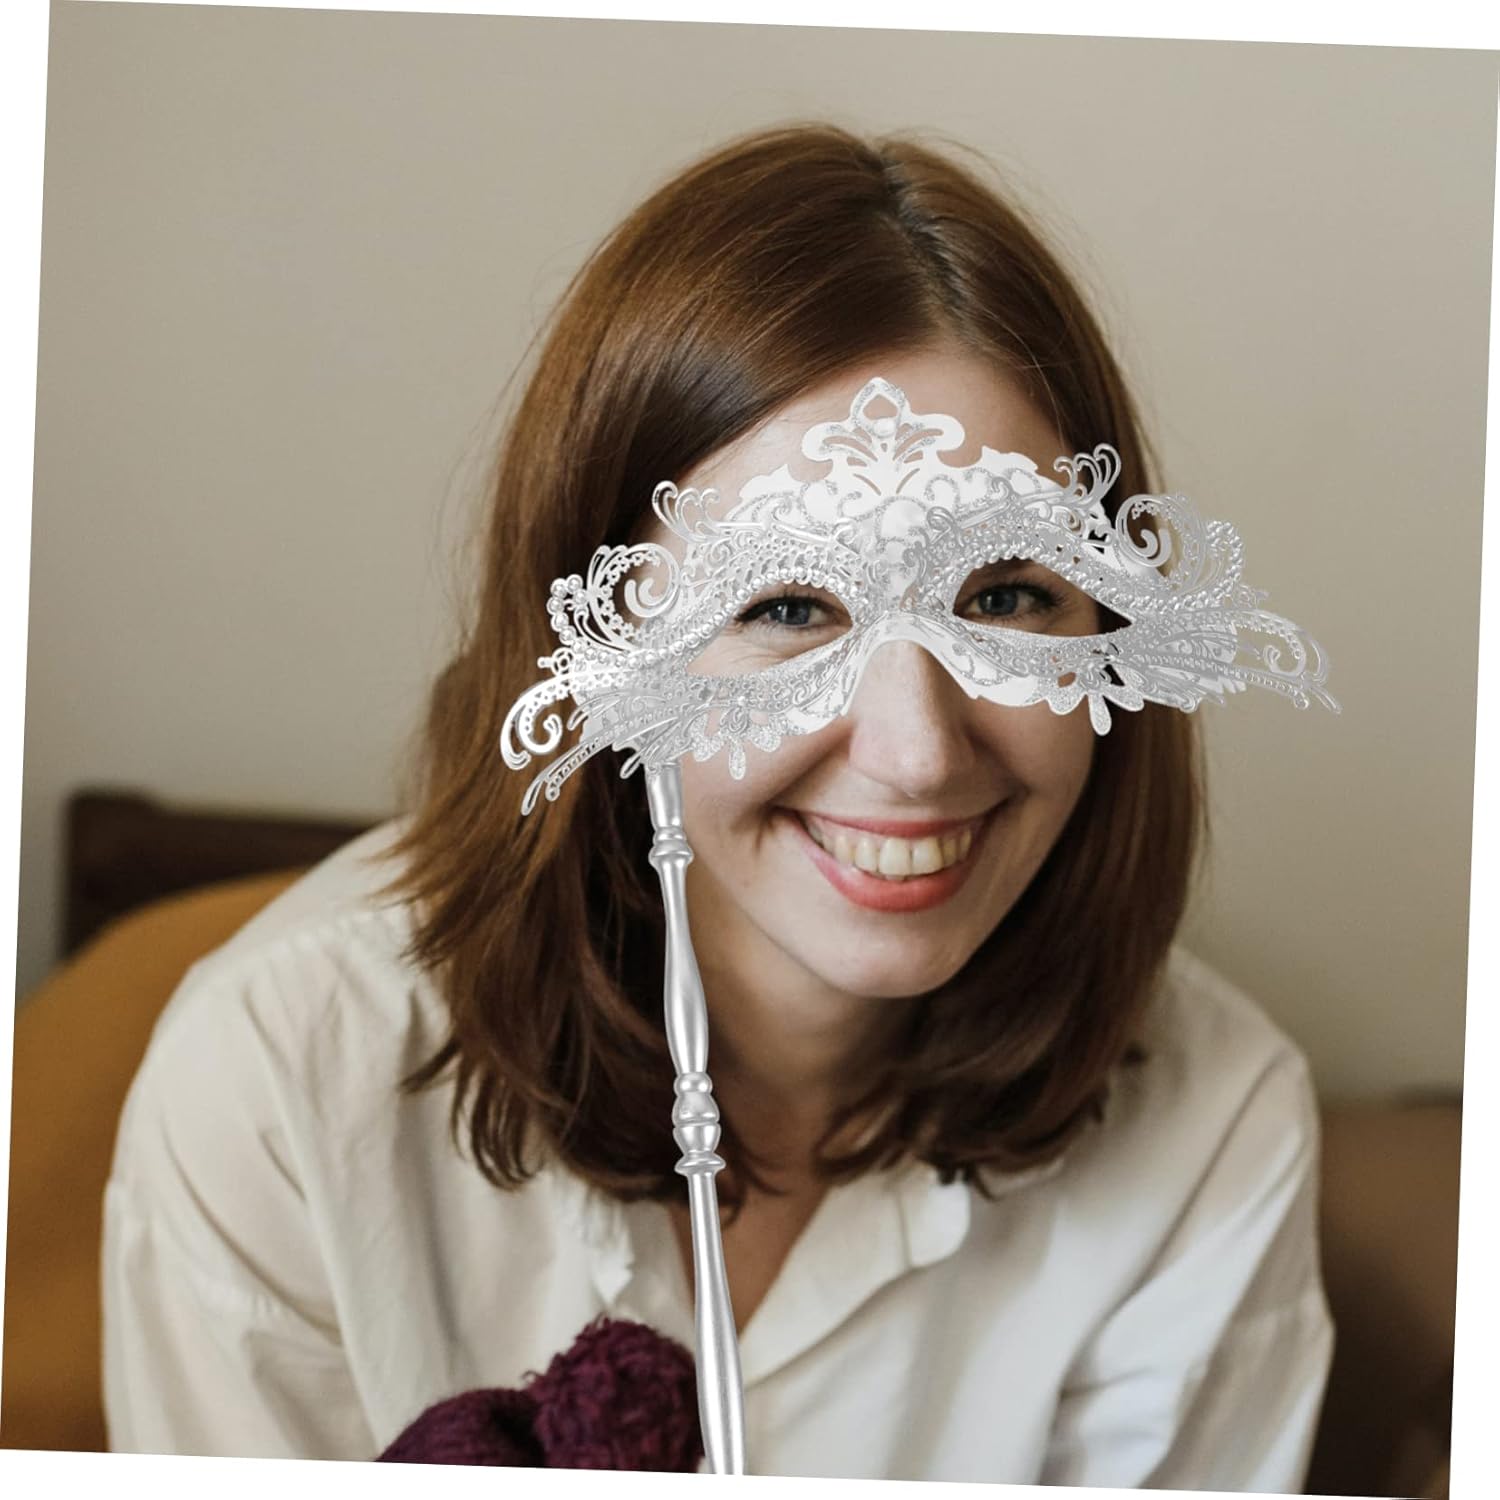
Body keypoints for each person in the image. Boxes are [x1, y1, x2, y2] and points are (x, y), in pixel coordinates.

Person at [101, 123, 1334, 1487]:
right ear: (596, 647)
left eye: (1004, 595)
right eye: (788, 606)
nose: (919, 753)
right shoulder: (277, 1081)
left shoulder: (1219, 1120)